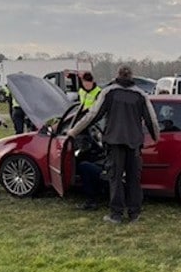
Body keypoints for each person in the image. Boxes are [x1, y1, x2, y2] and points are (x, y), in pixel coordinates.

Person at [68, 65, 160, 224]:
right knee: (133, 179)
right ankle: (134, 214)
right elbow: (151, 120)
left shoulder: (109, 92)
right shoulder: (140, 95)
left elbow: (93, 115)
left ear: (117, 75)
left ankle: (116, 214)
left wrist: (74, 131)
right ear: (131, 77)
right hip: (134, 143)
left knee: (115, 178)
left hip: (114, 142)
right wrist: (155, 137)